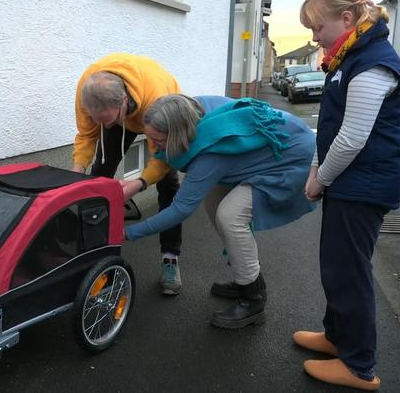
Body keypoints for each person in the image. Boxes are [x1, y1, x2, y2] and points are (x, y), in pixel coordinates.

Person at [296, 0, 400, 391]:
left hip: (363, 184)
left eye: (318, 28)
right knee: (336, 265)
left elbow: (352, 138)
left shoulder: (373, 62)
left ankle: (359, 366)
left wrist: (320, 180)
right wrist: (315, 170)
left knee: (350, 272)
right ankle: (337, 338)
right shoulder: (349, 56)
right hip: (349, 181)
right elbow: (329, 128)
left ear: (346, 17)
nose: (315, 37)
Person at [124, 94, 316, 328]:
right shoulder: (190, 109)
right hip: (276, 145)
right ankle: (246, 276)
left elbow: (181, 209)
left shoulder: (210, 149)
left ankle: (252, 299)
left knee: (230, 216)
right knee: (214, 200)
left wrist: (129, 233)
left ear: (177, 134)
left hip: (292, 159)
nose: (155, 148)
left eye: (159, 140)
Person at [72, 53, 184, 295]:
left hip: (155, 109)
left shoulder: (157, 98)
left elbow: (162, 160)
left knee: (168, 184)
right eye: (99, 120)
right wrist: (76, 171)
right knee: (97, 177)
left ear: (123, 101)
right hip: (124, 109)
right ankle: (92, 253)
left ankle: (170, 258)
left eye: (108, 120)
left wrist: (140, 183)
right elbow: (87, 136)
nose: (106, 126)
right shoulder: (87, 89)